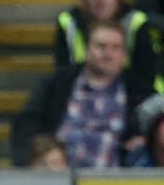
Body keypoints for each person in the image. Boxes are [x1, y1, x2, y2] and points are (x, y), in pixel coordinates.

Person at [11, 21, 154, 168]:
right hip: (58, 178)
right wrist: (41, 150)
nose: (108, 54)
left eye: (116, 48)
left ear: (124, 55)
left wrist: (148, 140)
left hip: (115, 183)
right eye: (101, 46)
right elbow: (26, 124)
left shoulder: (141, 92)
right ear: (86, 50)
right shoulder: (56, 84)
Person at [53, 0, 156, 91]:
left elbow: (146, 73)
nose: (103, 1)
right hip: (81, 95)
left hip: (130, 94)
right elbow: (62, 72)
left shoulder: (136, 21)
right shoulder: (68, 23)